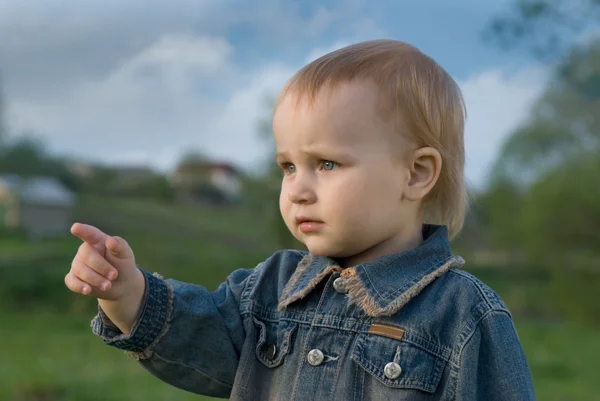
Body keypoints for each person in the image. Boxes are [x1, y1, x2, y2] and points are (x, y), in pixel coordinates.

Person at [65, 39, 535, 400]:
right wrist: (125, 293)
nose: (298, 189)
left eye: (327, 164)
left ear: (415, 174)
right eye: (288, 167)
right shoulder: (270, 290)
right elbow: (192, 339)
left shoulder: (463, 316)